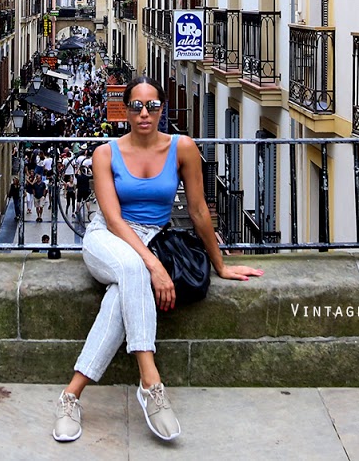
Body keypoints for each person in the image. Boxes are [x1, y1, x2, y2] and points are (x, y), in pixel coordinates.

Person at [51, 75, 263, 444]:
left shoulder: (183, 148)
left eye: (152, 106)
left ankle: (71, 395)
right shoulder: (105, 153)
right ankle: (151, 381)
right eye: (136, 106)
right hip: (107, 238)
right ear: (126, 111)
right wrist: (153, 265)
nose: (144, 113)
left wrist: (221, 265)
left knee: (122, 293)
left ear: (162, 109)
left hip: (152, 242)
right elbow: (114, 219)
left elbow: (198, 210)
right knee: (133, 268)